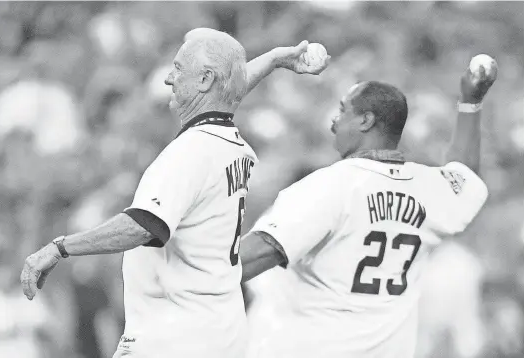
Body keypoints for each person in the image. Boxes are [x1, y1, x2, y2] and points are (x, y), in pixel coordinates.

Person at [20, 28, 329, 358]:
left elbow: (143, 225)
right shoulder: (225, 139)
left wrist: (60, 247)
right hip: (222, 332)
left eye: (179, 68)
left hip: (173, 334)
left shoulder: (190, 152)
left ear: (205, 80)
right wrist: (273, 60)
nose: (169, 77)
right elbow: (227, 90)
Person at [239, 63, 497, 358]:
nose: (334, 121)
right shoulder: (426, 188)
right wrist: (470, 103)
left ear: (365, 120)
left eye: (342, 110)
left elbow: (246, 260)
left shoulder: (330, 185)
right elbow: (464, 173)